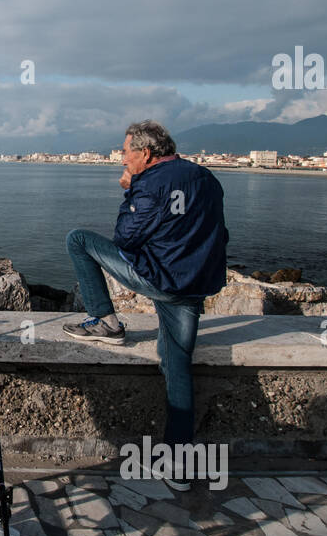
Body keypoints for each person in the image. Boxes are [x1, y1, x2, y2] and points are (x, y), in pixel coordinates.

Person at [64, 120, 228, 445]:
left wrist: (129, 189)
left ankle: (107, 322)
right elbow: (217, 234)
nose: (122, 159)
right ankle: (178, 460)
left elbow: (124, 238)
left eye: (126, 152)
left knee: (78, 239)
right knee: (176, 364)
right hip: (193, 287)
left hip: (159, 278)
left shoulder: (150, 182)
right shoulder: (206, 178)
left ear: (146, 153)